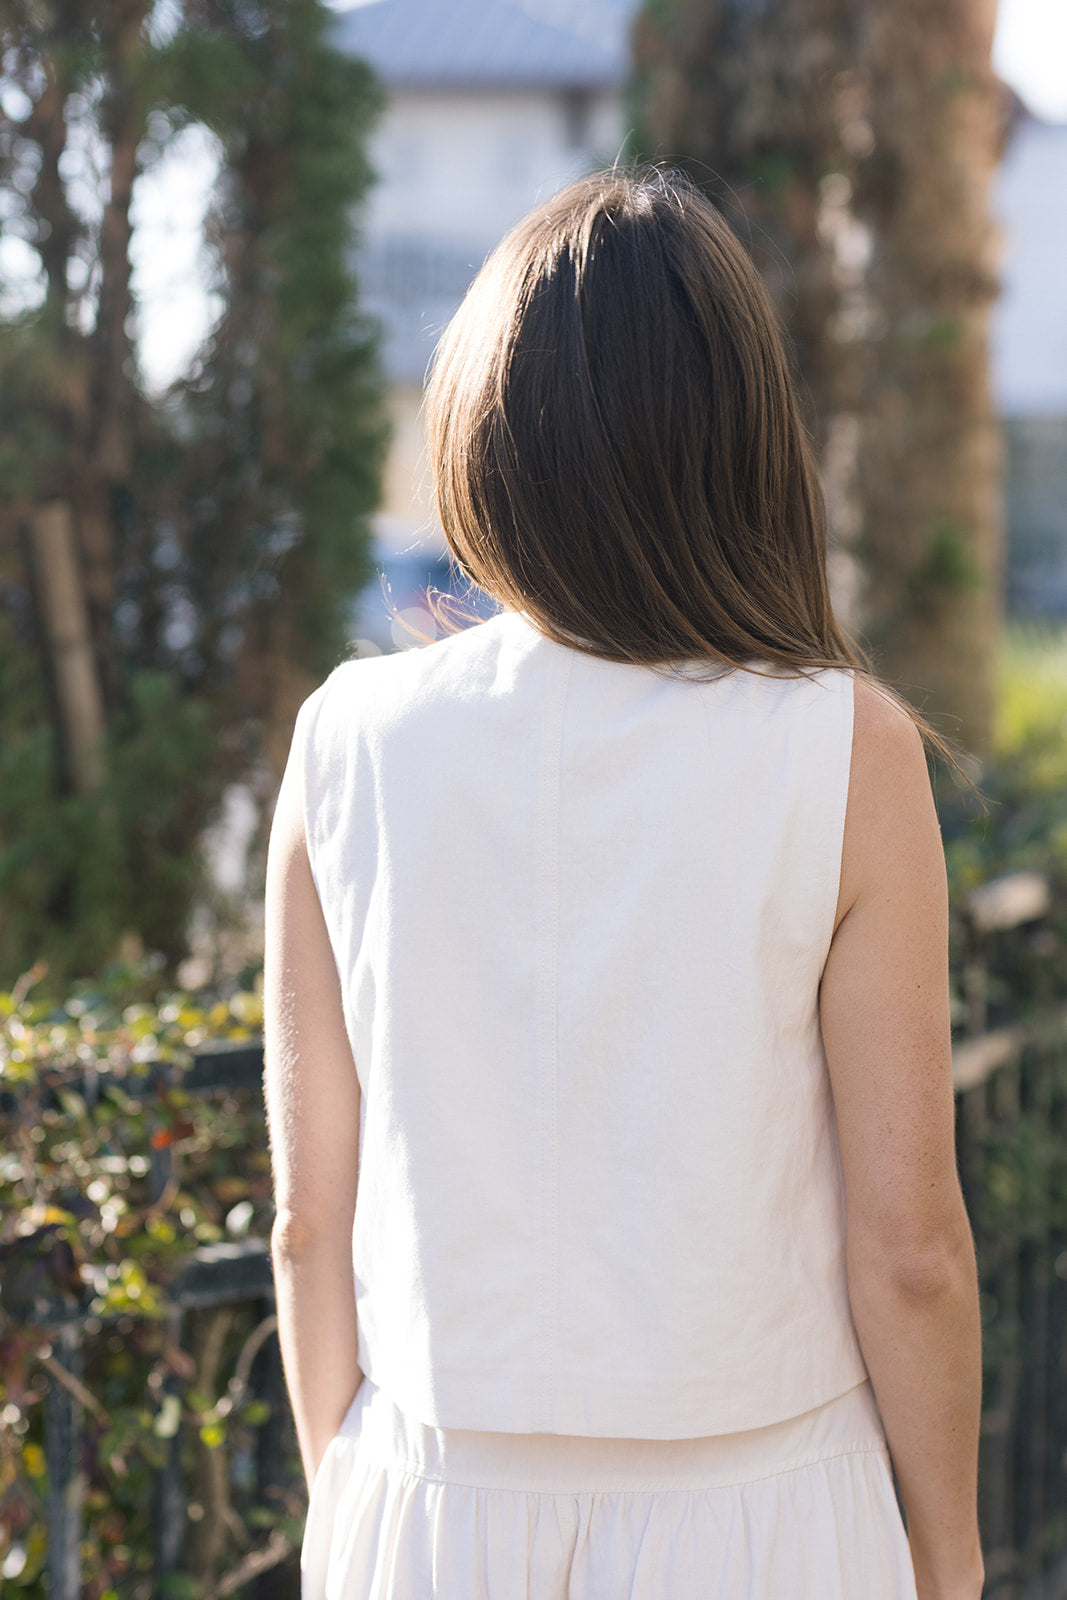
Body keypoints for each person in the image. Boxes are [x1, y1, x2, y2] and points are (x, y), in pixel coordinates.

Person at [264, 167, 984, 1600]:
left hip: (429, 1502)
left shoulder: (348, 739)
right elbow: (909, 1250)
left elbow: (305, 1222)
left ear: (485, 430)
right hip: (770, 1519)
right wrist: (951, 1561)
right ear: (740, 440)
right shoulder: (843, 746)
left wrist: (349, 1491)